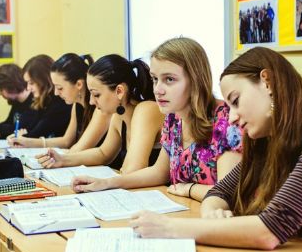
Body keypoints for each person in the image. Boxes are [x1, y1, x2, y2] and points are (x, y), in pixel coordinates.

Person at [129, 47, 302, 252]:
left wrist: (169, 227)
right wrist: (212, 212)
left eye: (236, 101)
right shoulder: (269, 142)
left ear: (268, 83)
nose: (231, 117)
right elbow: (220, 191)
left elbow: (270, 230)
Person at [71, 38, 242, 201]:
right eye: (155, 79)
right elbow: (159, 172)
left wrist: (188, 189)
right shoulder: (173, 119)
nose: (158, 90)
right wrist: (107, 183)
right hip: (188, 214)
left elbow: (227, 193)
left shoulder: (226, 119)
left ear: (195, 79)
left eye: (169, 79)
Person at [36, 54, 164, 174]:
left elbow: (132, 170)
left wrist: (102, 182)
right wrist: (62, 160)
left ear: (119, 91)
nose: (91, 101)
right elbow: (103, 153)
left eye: (96, 94)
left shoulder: (146, 110)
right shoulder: (118, 117)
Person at [8, 53, 110, 152]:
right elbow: (66, 141)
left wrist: (58, 157)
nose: (56, 93)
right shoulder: (76, 104)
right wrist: (27, 142)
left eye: (60, 88)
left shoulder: (99, 107)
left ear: (79, 84)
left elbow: (79, 149)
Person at [10, 54, 72, 139]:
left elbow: (33, 135)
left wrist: (21, 137)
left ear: (44, 80)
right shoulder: (44, 101)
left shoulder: (60, 102)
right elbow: (30, 130)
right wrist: (21, 136)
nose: (28, 88)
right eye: (27, 83)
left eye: (31, 83)